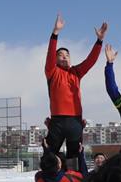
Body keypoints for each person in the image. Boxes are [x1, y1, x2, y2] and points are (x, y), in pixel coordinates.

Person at [45, 13, 107, 159]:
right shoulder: (52, 71)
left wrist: (99, 41)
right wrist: (55, 33)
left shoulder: (76, 72)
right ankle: (50, 180)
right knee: (49, 156)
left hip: (75, 120)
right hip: (57, 120)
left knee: (74, 158)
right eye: (60, 54)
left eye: (67, 54)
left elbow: (90, 61)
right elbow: (49, 56)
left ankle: (74, 180)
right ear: (55, 59)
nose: (64, 56)